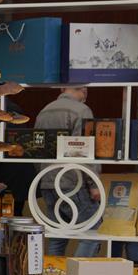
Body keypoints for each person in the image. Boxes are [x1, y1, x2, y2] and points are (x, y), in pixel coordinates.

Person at [35, 87, 101, 257]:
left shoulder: (44, 111)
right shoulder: (82, 110)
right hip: (73, 182)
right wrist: (93, 184)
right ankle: (79, 273)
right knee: (91, 232)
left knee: (58, 236)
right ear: (84, 91)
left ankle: (54, 272)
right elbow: (84, 150)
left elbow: (35, 149)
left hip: (47, 181)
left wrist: (43, 177)